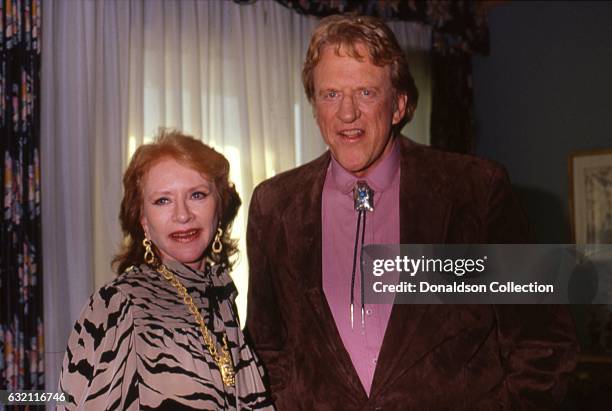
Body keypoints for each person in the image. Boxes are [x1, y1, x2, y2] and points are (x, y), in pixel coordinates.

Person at [245, 15, 578, 410]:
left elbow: (542, 343)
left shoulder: (475, 191)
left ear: (399, 105)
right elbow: (266, 350)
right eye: (330, 94)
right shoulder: (274, 205)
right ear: (315, 106)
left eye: (366, 92)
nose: (347, 113)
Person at [59, 130, 273, 410]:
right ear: (143, 220)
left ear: (218, 207)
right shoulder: (119, 305)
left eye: (197, 195)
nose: (182, 215)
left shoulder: (220, 301)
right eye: (163, 200)